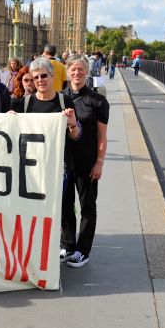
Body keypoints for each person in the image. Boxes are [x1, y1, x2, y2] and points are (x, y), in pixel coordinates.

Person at [9, 57, 82, 262]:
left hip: (60, 165)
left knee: (64, 206)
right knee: (35, 206)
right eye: (35, 77)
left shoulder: (64, 101)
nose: (40, 80)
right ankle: (38, 244)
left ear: (52, 76)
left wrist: (72, 123)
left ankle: (67, 246)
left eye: (44, 76)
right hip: (32, 166)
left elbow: (76, 136)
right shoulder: (24, 103)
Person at [62, 54, 109, 268]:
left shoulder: (98, 101)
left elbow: (102, 136)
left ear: (87, 71)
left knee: (87, 206)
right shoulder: (60, 98)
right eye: (73, 69)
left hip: (87, 161)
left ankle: (83, 250)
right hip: (64, 161)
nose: (77, 73)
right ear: (67, 71)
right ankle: (68, 245)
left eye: (81, 69)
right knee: (65, 205)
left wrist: (99, 162)